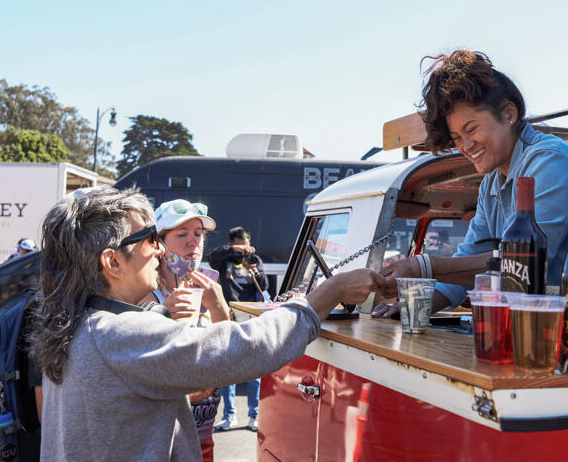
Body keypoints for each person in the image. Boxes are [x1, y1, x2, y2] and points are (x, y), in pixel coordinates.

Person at [27, 186, 387, 462]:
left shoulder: (79, 322)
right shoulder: (119, 334)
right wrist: (327, 294)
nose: (160, 250)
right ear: (113, 262)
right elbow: (248, 347)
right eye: (150, 239)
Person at [375, 50, 568, 316]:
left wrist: (421, 267)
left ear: (509, 114)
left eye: (471, 129)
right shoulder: (491, 185)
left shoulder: (549, 163)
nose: (466, 146)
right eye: (457, 137)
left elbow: (521, 265)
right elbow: (470, 258)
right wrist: (410, 308)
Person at [139, 199, 227, 461]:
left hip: (202, 438)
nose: (194, 242)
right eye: (182, 234)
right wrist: (162, 315)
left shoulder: (208, 287)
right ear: (158, 243)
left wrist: (219, 305)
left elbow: (230, 351)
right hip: (160, 442)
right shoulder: (145, 292)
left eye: (198, 234)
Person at [206, 226, 268, 432]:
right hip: (228, 317)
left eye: (247, 244)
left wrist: (253, 270)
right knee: (228, 368)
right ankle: (229, 415)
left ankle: (254, 416)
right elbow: (212, 256)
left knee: (255, 370)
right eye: (241, 244)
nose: (246, 247)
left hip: (250, 319)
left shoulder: (254, 261)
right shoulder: (225, 260)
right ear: (233, 244)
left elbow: (264, 285)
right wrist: (234, 252)